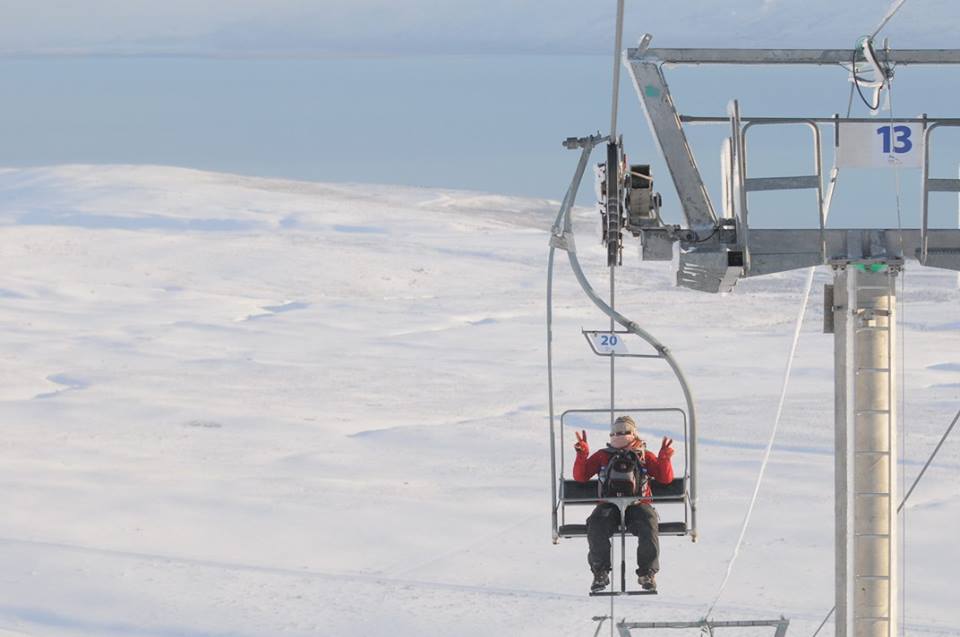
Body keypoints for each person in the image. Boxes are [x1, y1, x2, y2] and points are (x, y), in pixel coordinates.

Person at [573, 415, 674, 593]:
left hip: (638, 503)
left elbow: (665, 479)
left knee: (648, 524)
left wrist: (664, 458)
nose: (620, 435)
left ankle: (647, 573)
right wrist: (582, 455)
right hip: (609, 504)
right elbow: (581, 477)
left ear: (633, 434)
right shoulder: (603, 456)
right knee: (596, 524)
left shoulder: (643, 455)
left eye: (624, 432)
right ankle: (600, 571)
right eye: (616, 432)